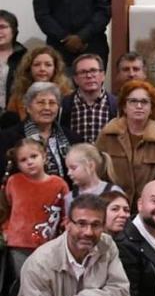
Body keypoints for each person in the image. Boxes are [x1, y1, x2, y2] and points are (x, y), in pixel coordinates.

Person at [3, 138, 69, 275]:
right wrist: (5, 228)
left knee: (46, 280)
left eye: (34, 156)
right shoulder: (14, 182)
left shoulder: (59, 184)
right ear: (18, 164)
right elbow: (6, 208)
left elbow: (67, 213)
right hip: (19, 243)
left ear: (44, 157)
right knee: (23, 280)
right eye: (23, 160)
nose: (29, 162)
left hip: (49, 244)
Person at [95, 80, 155, 199]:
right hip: (111, 205)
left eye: (144, 102)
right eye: (133, 101)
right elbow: (97, 175)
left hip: (146, 206)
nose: (139, 106)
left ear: (151, 108)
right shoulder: (107, 134)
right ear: (124, 107)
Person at [0, 82, 78, 178]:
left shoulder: (73, 139)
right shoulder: (8, 138)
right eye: (41, 103)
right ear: (28, 107)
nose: (47, 108)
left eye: (52, 103)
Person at [60, 54, 117, 143]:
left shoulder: (116, 105)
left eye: (93, 71)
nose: (89, 76)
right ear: (75, 79)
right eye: (83, 72)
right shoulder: (63, 106)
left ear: (103, 75)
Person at [6, 45, 71, 122]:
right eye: (37, 64)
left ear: (55, 69)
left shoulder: (67, 95)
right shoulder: (17, 96)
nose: (42, 69)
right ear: (29, 68)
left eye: (48, 65)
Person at [64, 143, 120, 212]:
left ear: (91, 166)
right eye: (68, 169)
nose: (68, 173)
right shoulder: (69, 198)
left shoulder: (113, 192)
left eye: (73, 168)